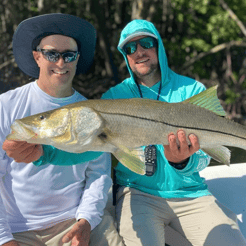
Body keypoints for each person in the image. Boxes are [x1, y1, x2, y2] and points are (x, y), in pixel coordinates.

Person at [4, 19, 246, 246]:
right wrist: (44, 155)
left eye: (147, 43)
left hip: (191, 193)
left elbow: (204, 159)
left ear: (158, 47)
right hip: (139, 194)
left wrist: (183, 161)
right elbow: (89, 151)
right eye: (130, 48)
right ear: (126, 57)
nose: (139, 51)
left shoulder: (192, 89)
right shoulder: (113, 97)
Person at [1, 13, 124, 246]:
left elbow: (98, 175)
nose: (61, 63)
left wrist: (86, 221)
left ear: (77, 59)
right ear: (37, 57)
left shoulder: (93, 112)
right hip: (17, 229)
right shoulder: (6, 106)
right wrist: (4, 239)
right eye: (51, 54)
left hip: (75, 220)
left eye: (68, 55)